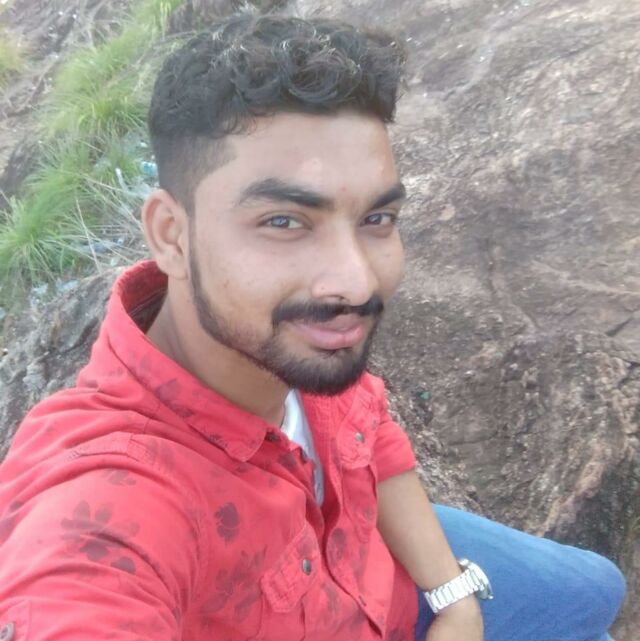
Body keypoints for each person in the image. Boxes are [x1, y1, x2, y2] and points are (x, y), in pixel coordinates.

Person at [0, 13, 626, 641]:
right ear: (171, 234)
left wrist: (455, 599)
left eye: (377, 219)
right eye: (284, 222)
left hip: (374, 570)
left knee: (599, 589)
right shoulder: (107, 500)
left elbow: (369, 431)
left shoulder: (289, 341)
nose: (355, 283)